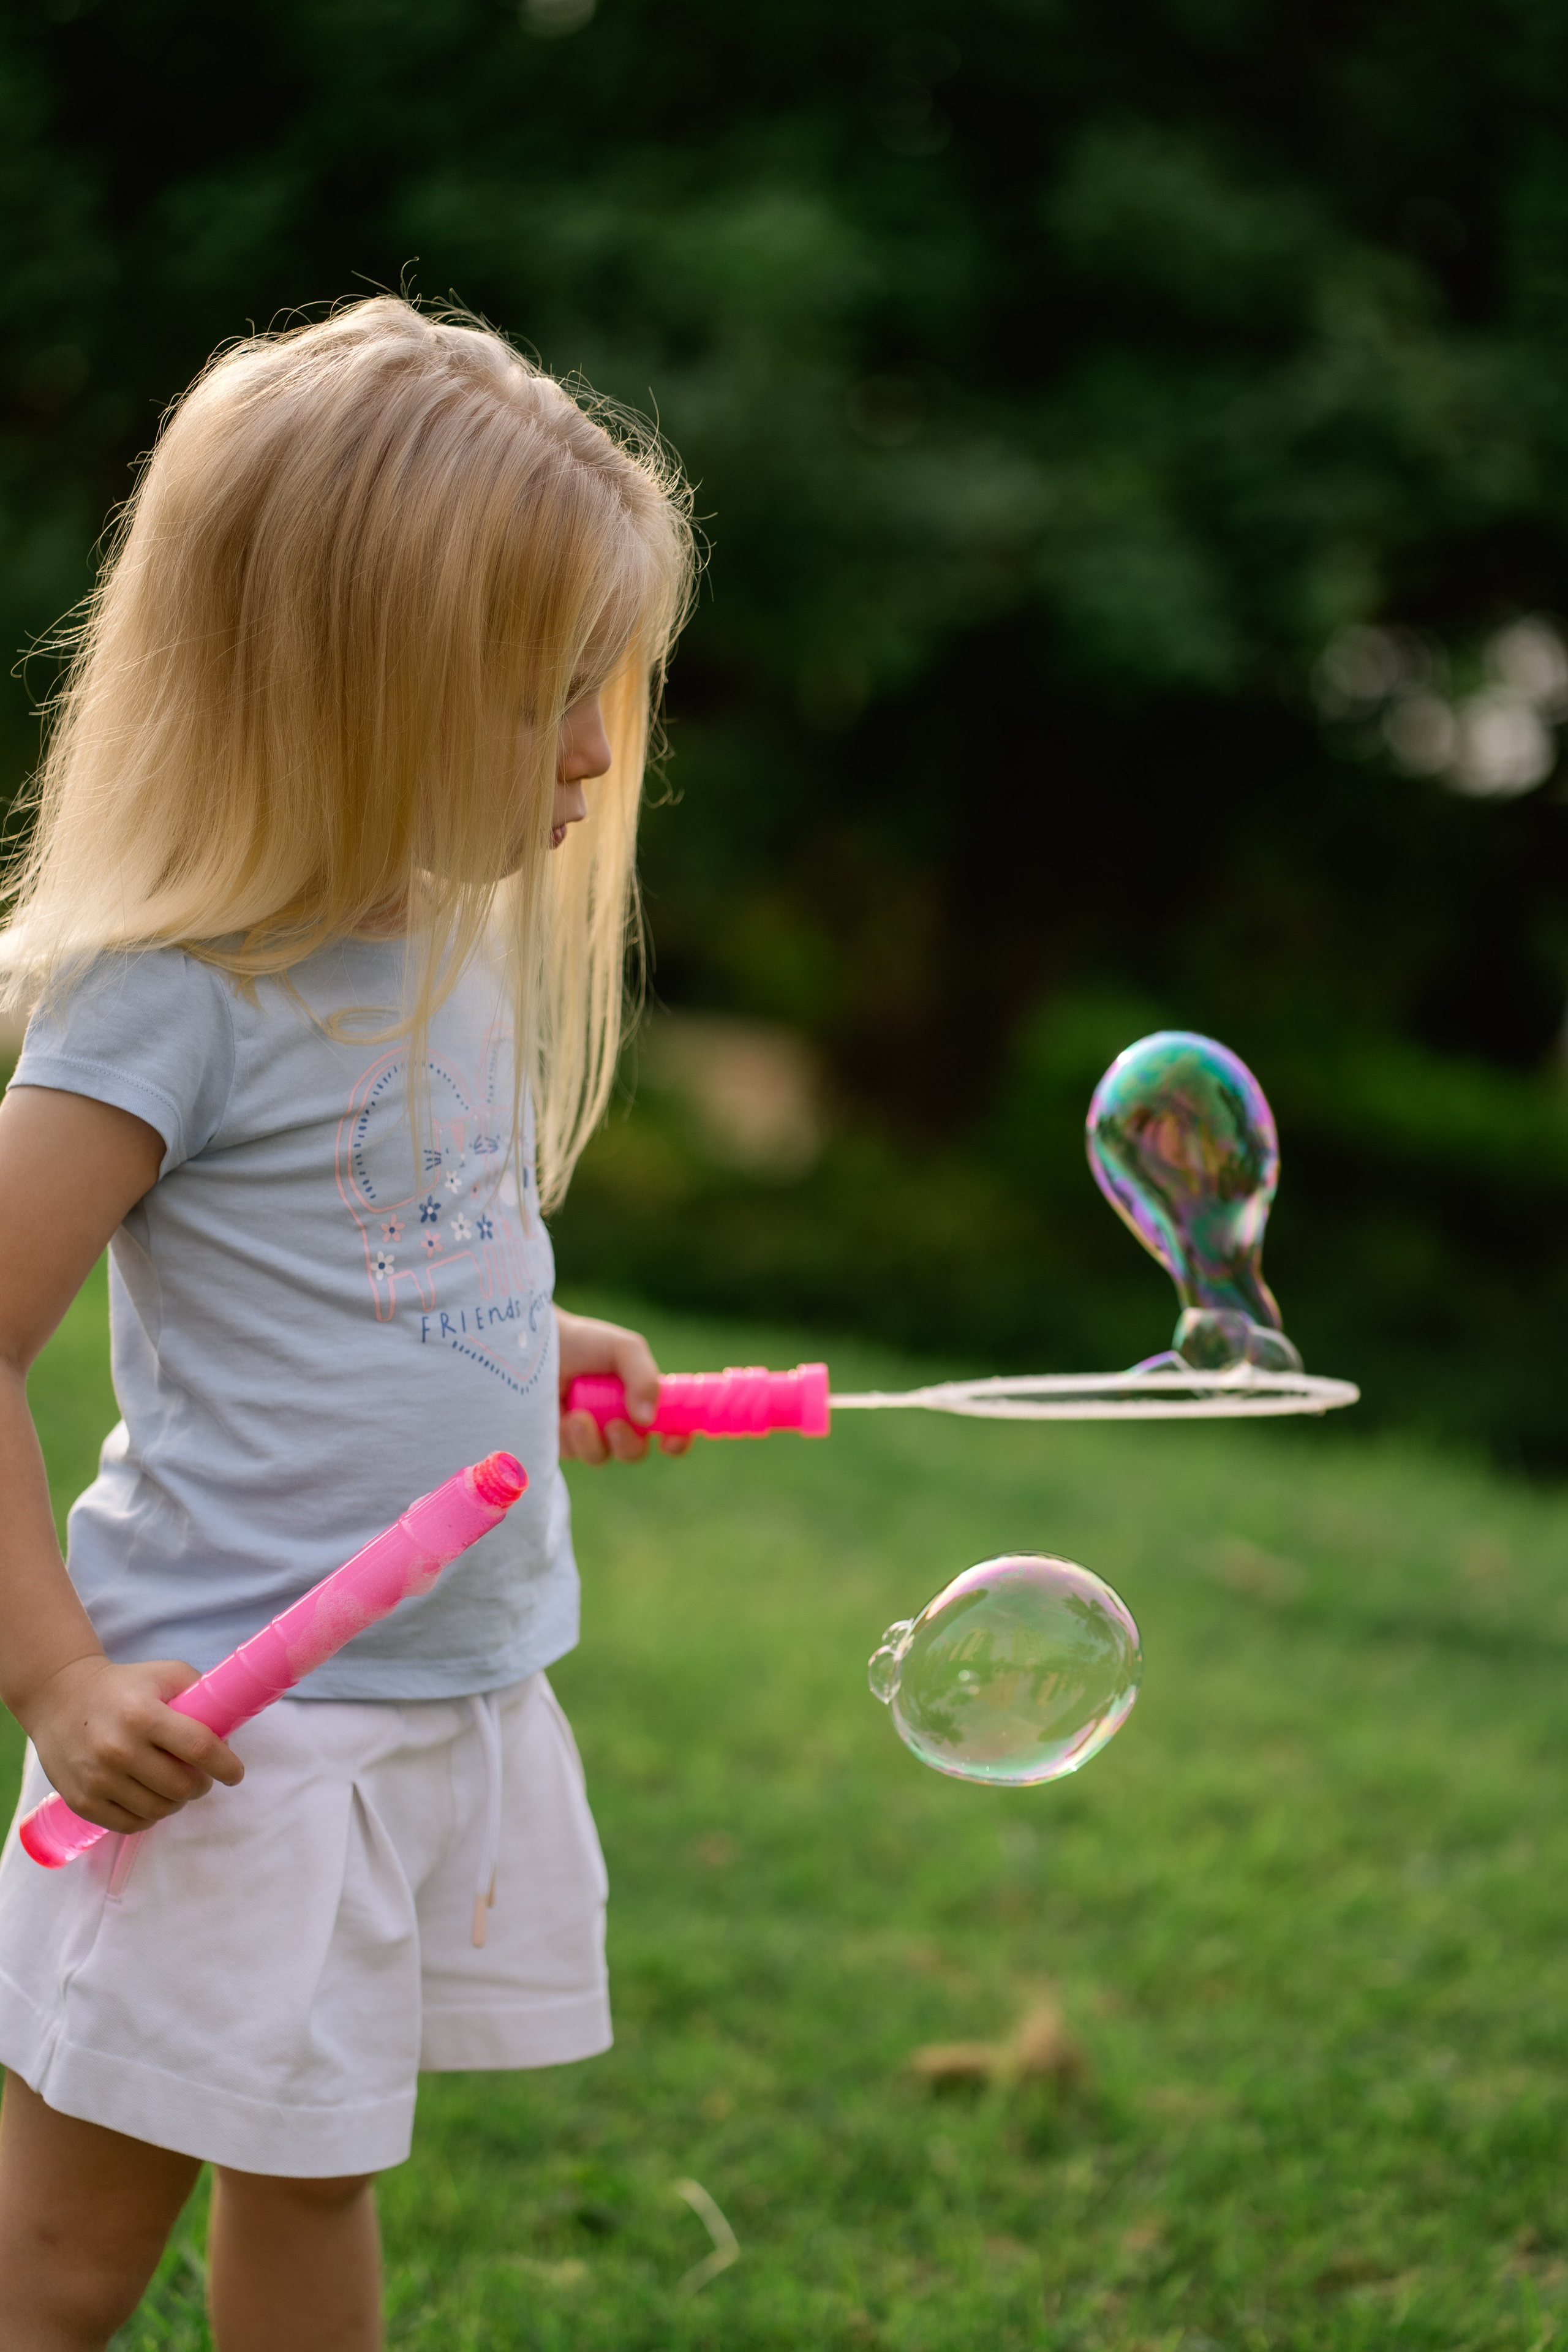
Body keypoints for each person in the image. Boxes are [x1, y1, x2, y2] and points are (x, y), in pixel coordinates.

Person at [0, 296, 696, 2351]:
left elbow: (388, 1241)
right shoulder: (167, 1000)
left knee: (319, 2170)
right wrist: (56, 1677)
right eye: (539, 694)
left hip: (426, 1705)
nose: (592, 752)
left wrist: (523, 1339)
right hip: (230, 1737)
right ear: (338, 686)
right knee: (63, 2260)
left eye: (602, 691)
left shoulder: (446, 940)